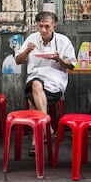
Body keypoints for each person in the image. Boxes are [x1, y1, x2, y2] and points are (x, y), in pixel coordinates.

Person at [15, 11, 77, 156]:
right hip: (35, 78)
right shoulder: (32, 39)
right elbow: (18, 60)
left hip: (55, 82)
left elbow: (72, 65)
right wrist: (27, 51)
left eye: (47, 26)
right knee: (36, 85)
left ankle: (36, 139)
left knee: (32, 100)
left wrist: (59, 59)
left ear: (54, 26)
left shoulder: (63, 41)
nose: (43, 30)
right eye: (40, 26)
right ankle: (45, 127)